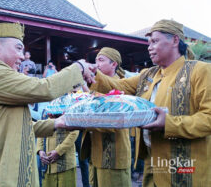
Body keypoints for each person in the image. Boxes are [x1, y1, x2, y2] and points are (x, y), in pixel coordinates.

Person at [0, 22, 96, 187]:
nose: (22, 57)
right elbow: (44, 88)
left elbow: (18, 126)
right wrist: (78, 67)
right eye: (18, 48)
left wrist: (58, 123)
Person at [87, 19, 211, 187]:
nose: (149, 47)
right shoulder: (149, 74)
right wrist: (91, 73)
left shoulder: (200, 71)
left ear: (175, 40)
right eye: (148, 43)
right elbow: (117, 85)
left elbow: (208, 118)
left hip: (184, 167)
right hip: (152, 163)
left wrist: (169, 123)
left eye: (154, 41)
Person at [81, 47, 132, 187]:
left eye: (101, 60)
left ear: (114, 64)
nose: (96, 64)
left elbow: (114, 119)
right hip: (96, 153)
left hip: (114, 154)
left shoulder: (121, 86)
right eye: (96, 60)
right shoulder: (95, 84)